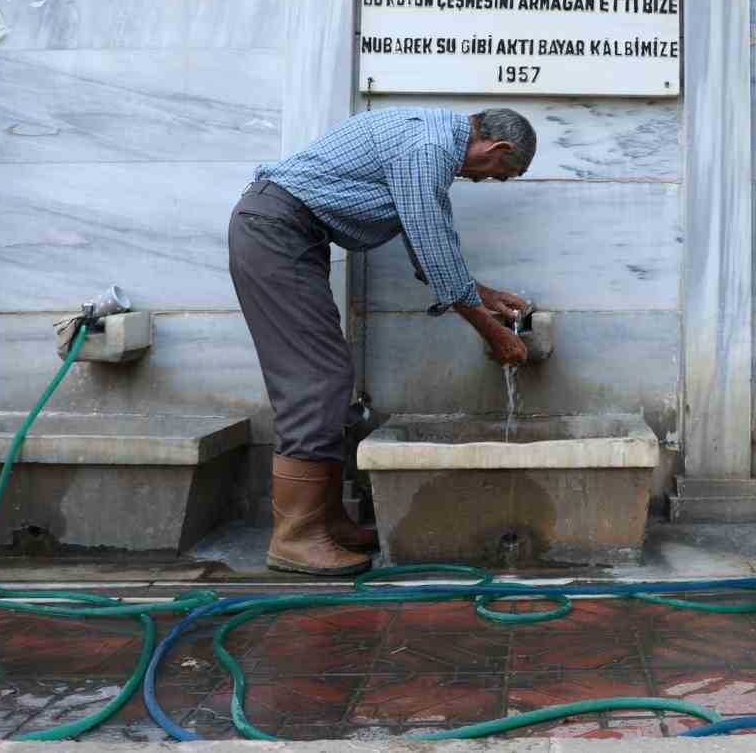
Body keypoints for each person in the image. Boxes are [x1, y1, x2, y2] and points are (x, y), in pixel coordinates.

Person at [229, 107, 536, 576]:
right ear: (498, 148)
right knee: (317, 380)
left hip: (286, 234)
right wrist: (492, 333)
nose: (485, 181)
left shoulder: (431, 142)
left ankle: (328, 522)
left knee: (329, 375)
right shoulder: (429, 148)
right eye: (499, 174)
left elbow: (429, 240)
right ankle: (295, 537)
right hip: (276, 233)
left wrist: (484, 295)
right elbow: (432, 246)